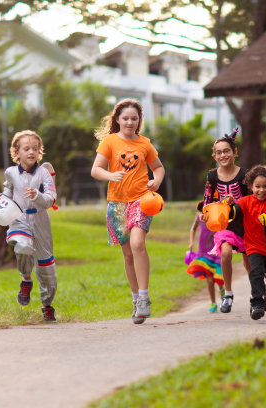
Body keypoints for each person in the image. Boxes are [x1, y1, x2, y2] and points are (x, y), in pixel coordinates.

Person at [91, 98, 165, 324]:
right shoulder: (110, 142)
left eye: (134, 118)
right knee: (127, 254)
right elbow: (96, 170)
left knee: (137, 244)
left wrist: (156, 181)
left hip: (141, 201)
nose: (130, 122)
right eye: (126, 118)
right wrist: (110, 175)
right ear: (117, 120)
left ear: (139, 120)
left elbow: (159, 168)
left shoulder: (145, 144)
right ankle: (135, 298)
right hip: (117, 204)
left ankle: (144, 298)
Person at [0, 130, 58, 322]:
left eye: (35, 148)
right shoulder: (10, 173)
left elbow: (51, 198)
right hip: (19, 219)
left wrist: (38, 196)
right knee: (23, 247)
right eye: (26, 149)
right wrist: (2, 201)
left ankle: (47, 305)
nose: (31, 152)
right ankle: (26, 279)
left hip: (41, 220)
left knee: (46, 266)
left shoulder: (44, 173)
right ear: (17, 152)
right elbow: (8, 191)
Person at [202, 128, 252, 313]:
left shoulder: (244, 175)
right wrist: (205, 212)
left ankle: (256, 293)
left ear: (234, 153)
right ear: (215, 156)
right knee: (225, 253)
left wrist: (236, 204)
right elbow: (207, 198)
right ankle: (228, 294)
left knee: (249, 262)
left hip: (245, 222)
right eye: (219, 152)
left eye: (227, 151)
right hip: (224, 222)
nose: (223, 155)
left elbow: (251, 199)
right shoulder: (212, 176)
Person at [224, 165, 266, 320]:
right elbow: (233, 213)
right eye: (257, 186)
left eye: (265, 186)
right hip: (253, 246)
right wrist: (229, 204)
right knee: (256, 273)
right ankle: (256, 303)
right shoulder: (245, 202)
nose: (261, 190)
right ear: (251, 186)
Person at [187, 205, 224, 313]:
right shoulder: (199, 218)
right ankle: (213, 302)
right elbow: (193, 229)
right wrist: (191, 242)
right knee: (210, 279)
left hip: (216, 252)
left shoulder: (219, 217)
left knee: (219, 278)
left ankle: (222, 290)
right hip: (203, 252)